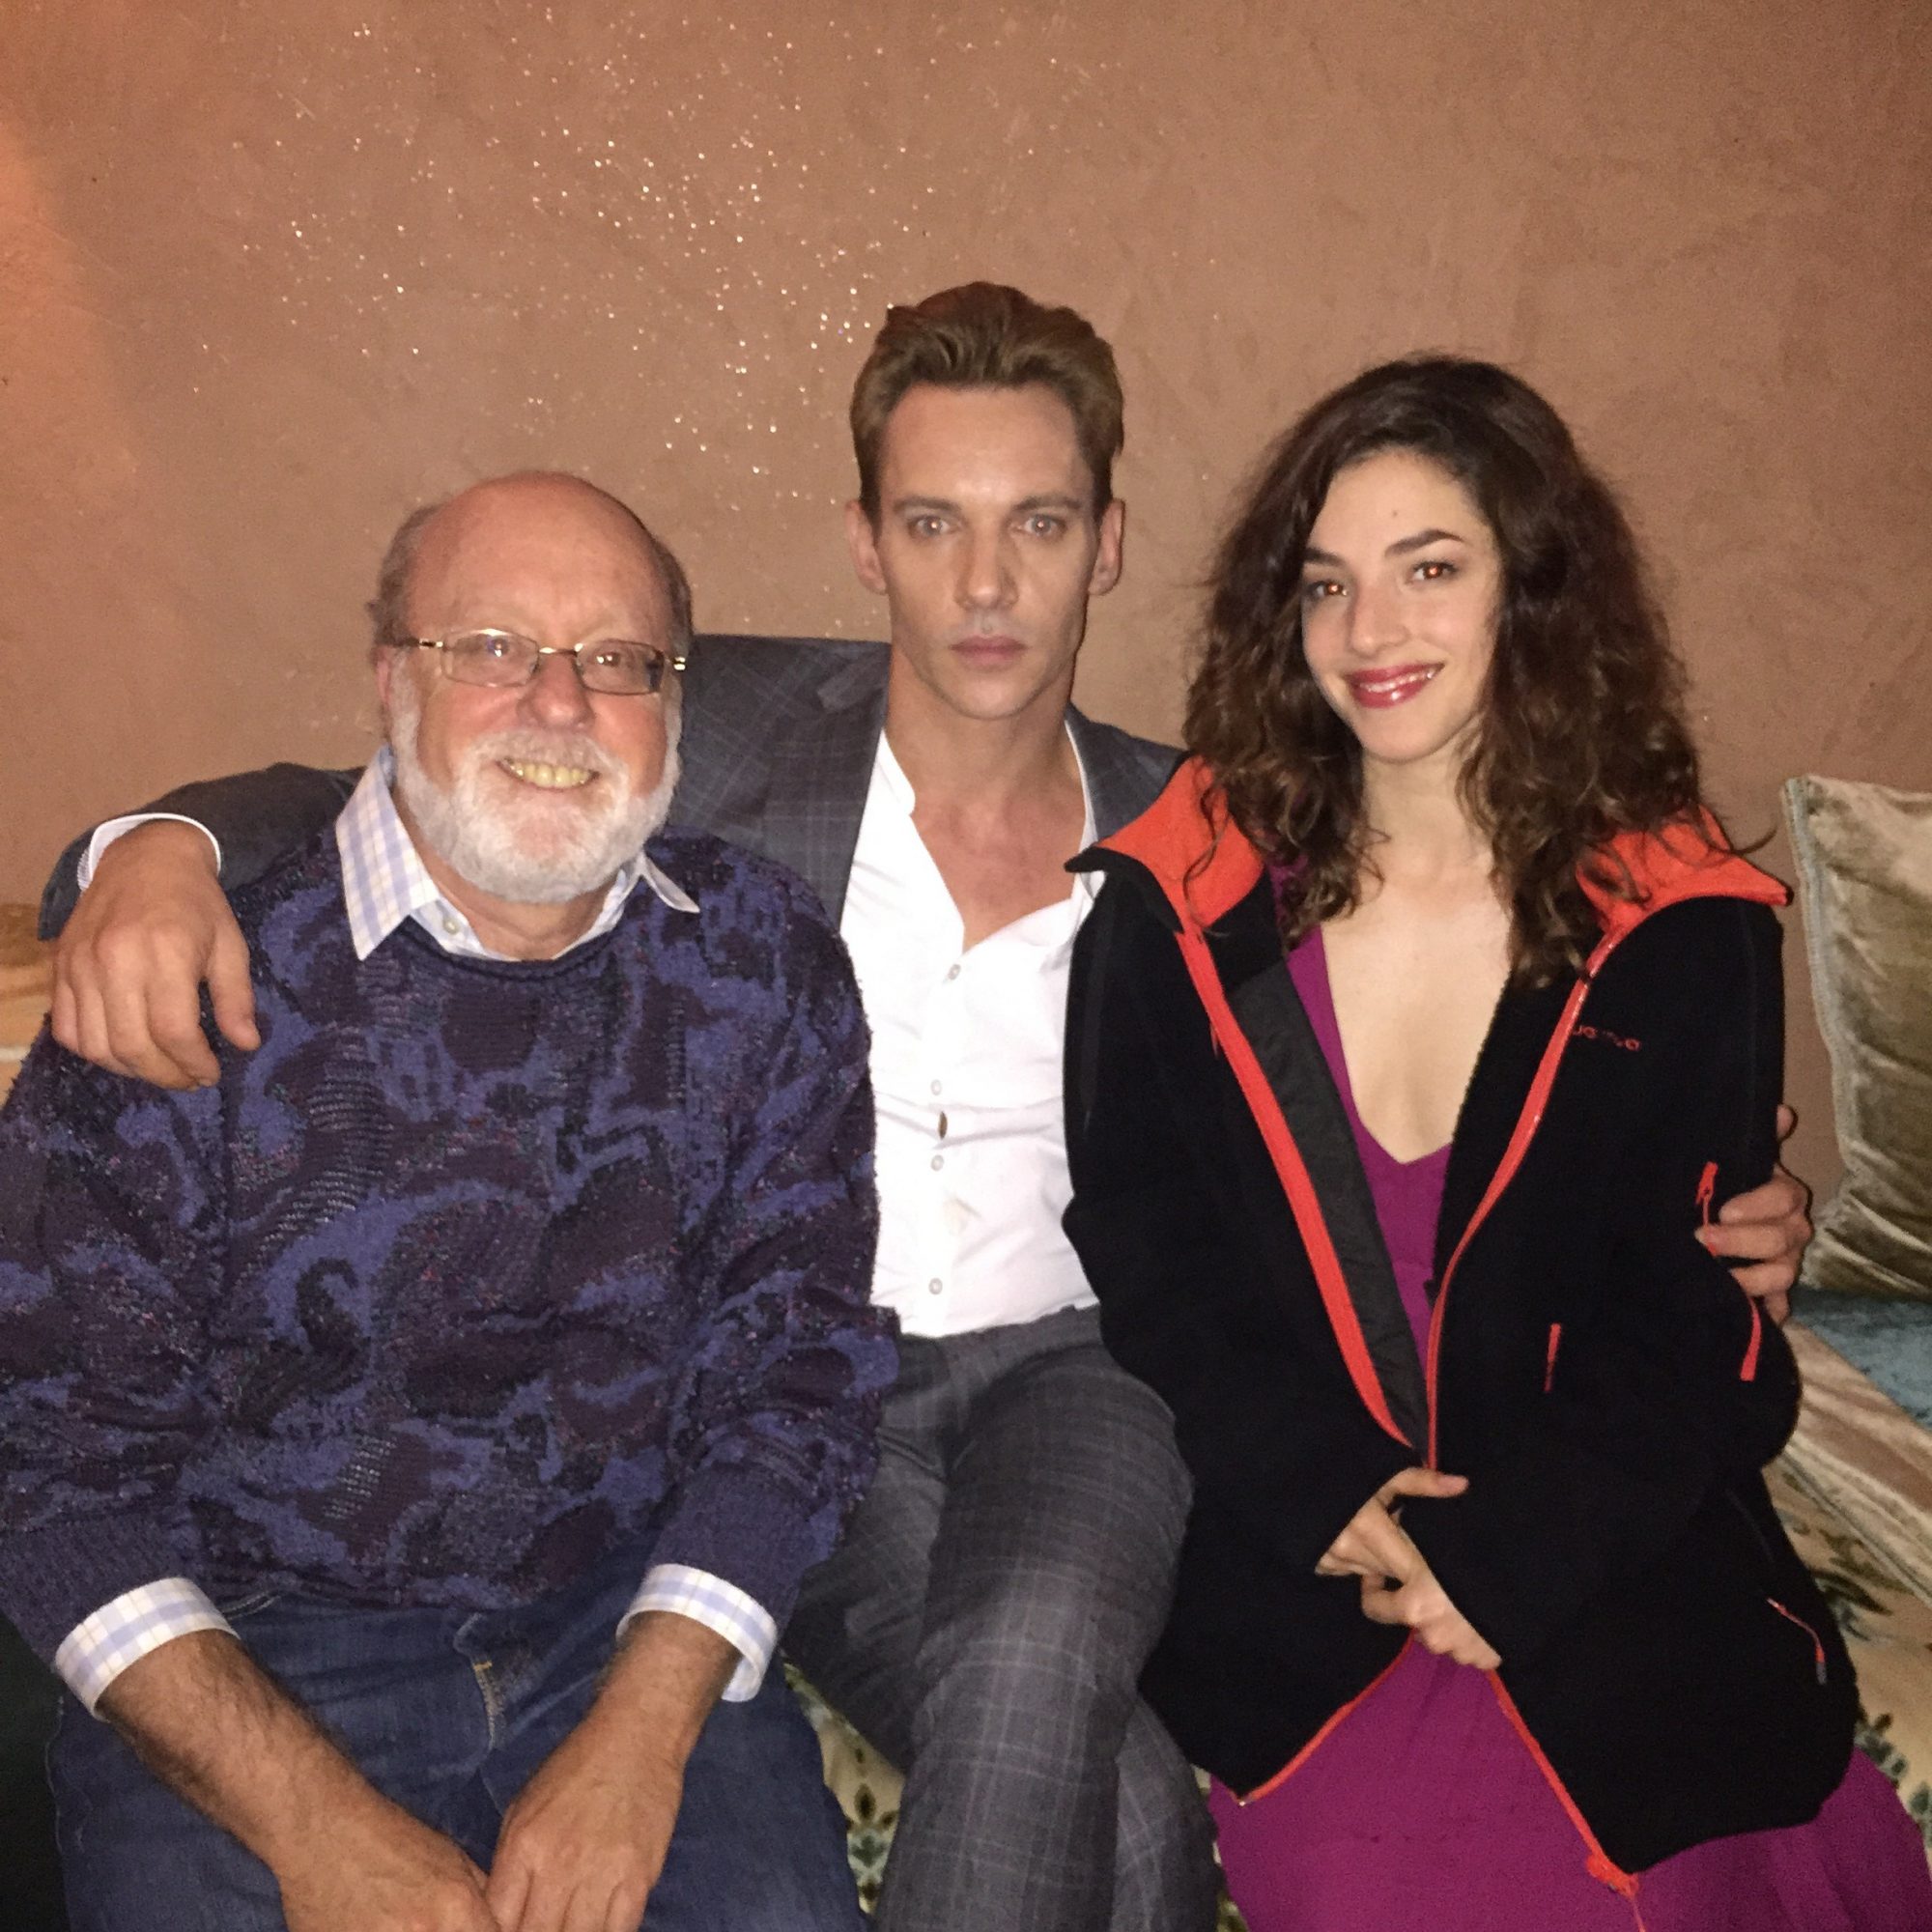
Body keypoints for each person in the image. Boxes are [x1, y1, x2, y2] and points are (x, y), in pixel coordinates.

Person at [30, 290, 1813, 1931]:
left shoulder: (1198, 835)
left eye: (1039, 522)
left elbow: (1441, 1077)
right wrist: (145, 852)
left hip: (1080, 1372)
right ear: (866, 541)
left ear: (1107, 544)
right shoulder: (701, 721)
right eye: (934, 522)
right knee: (1120, 1791)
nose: (985, 584)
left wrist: (1718, 1207)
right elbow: (421, 767)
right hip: (824, 1383)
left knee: (1039, 1646)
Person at [1059, 355, 1932, 1929]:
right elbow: (1145, 1239)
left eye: (1431, 569)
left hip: (1604, 1552)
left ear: (1534, 589)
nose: (1370, 631)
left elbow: (1695, 1321)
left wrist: (1516, 1556)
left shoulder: (1675, 917)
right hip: (1307, 1580)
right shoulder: (1181, 894)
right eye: (1327, 583)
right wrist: (1316, 1483)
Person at [0, 472, 895, 1932]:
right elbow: (45, 1460)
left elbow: (794, 1375)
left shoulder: (760, 960)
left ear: (673, 703)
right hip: (253, 1652)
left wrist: (641, 1739)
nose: (560, 701)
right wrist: (319, 1830)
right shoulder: (187, 974)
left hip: (618, 1630)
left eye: (618, 658)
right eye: (491, 646)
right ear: (390, 680)